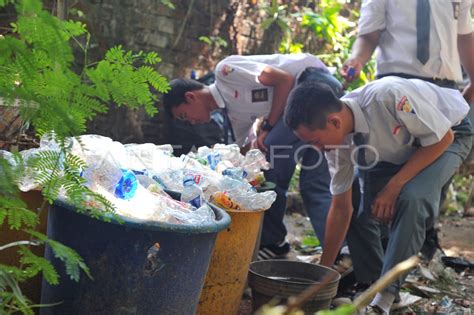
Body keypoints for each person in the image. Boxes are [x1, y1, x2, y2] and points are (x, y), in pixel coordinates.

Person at [285, 77, 472, 313]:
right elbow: (341, 208)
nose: (316, 149)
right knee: (357, 201)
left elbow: (442, 139)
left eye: (315, 141)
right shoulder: (336, 145)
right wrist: (323, 272)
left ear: (333, 121)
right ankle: (376, 281)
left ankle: (384, 299)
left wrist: (394, 186)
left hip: (449, 134)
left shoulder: (387, 97)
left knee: (412, 198)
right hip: (404, 148)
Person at [162, 53, 344, 259]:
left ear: (190, 97)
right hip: (299, 113)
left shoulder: (226, 72)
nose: (190, 122)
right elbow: (245, 153)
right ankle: (340, 254)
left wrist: (268, 126)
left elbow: (284, 80)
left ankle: (274, 242)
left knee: (269, 154)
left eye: (184, 116)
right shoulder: (232, 116)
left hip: (313, 86)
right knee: (313, 186)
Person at [340, 0, 474, 259]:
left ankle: (422, 240)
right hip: (395, 87)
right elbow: (369, 36)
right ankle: (377, 252)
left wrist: (468, 92)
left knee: (431, 173)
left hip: (443, 87)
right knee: (381, 171)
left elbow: (465, 36)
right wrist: (356, 59)